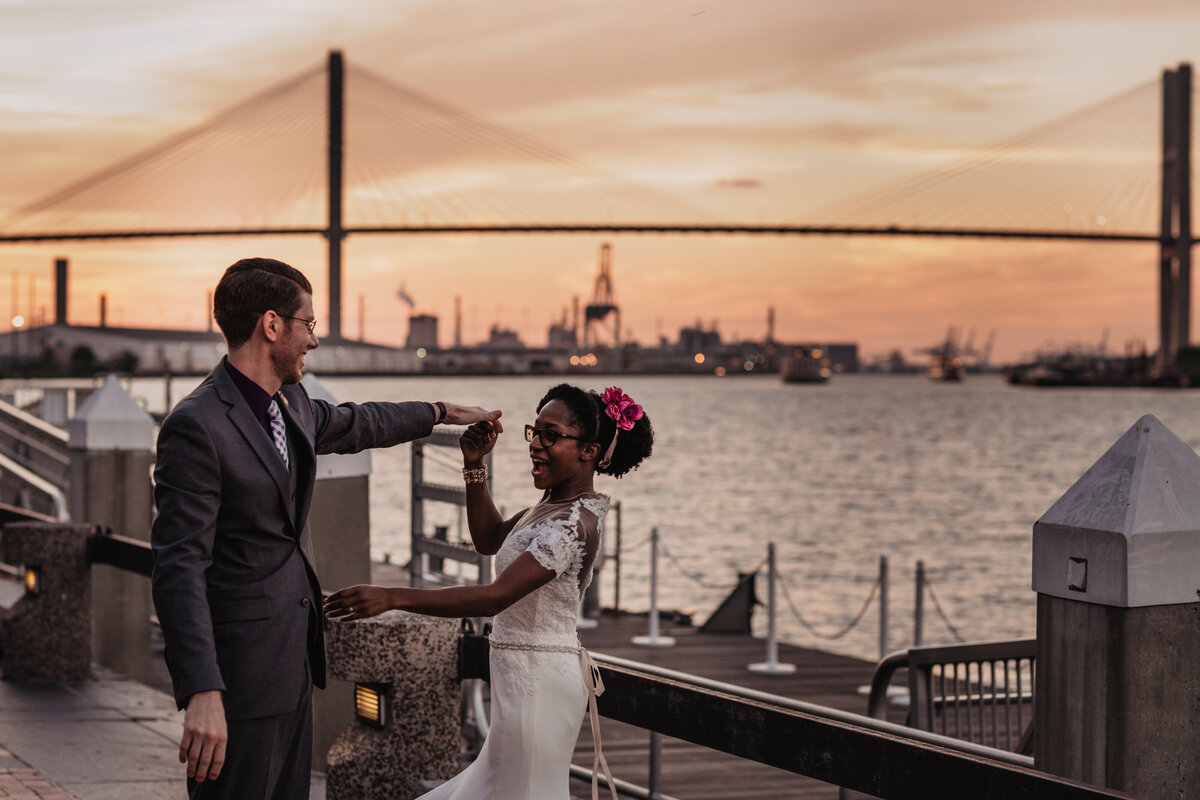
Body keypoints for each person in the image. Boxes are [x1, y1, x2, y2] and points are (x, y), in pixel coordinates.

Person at [150, 257, 501, 800]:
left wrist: (438, 410)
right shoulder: (197, 425)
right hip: (238, 676)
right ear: (272, 326)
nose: (313, 340)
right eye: (308, 324)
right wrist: (202, 689)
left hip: (294, 661)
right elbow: (179, 566)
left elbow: (362, 422)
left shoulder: (290, 406)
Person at [325, 383, 653, 800]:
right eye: (534, 431)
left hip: (539, 689)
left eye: (550, 435)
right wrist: (474, 465)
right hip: (517, 682)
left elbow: (496, 596)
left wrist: (393, 597)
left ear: (589, 450)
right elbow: (489, 538)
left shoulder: (575, 523)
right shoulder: (547, 507)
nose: (535, 444)